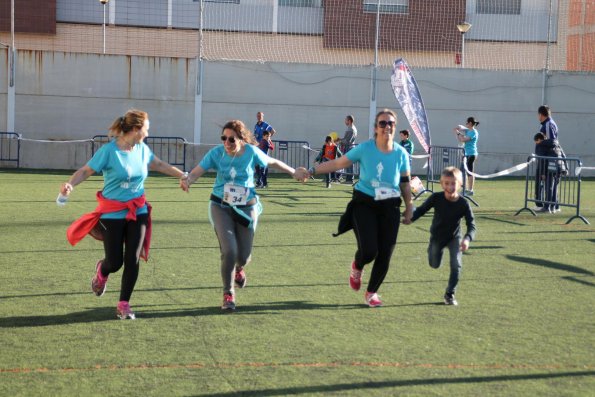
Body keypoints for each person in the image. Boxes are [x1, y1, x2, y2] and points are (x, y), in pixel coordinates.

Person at [59, 109, 188, 320]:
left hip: (138, 210)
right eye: (147, 127)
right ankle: (102, 270)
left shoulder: (142, 149)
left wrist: (182, 175)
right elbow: (86, 171)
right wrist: (69, 184)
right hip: (112, 213)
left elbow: (159, 164)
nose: (148, 131)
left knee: (133, 258)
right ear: (137, 128)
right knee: (115, 261)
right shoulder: (109, 151)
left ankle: (123, 304)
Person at [181, 120, 306, 311]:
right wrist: (188, 179)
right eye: (224, 138)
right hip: (220, 205)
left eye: (231, 139)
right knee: (229, 250)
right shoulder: (216, 153)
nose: (227, 142)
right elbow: (198, 170)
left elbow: (272, 161)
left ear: (241, 138)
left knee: (244, 256)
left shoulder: (250, 152)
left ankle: (239, 268)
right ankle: (228, 293)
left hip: (247, 207)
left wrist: (293, 172)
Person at [305, 109, 413, 307]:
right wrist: (311, 171)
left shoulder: (401, 153)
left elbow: (405, 183)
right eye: (382, 123)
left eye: (390, 123)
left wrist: (409, 206)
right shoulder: (365, 149)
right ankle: (358, 265)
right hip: (365, 204)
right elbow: (338, 163)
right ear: (375, 128)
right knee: (370, 250)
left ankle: (372, 293)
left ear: (395, 127)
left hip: (390, 206)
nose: (387, 126)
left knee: (386, 253)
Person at [404, 167, 476, 306]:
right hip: (437, 237)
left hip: (454, 238)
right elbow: (421, 210)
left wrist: (467, 239)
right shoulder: (436, 198)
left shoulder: (463, 203)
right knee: (434, 264)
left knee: (456, 265)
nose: (450, 186)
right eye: (447, 183)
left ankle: (450, 294)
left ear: (461, 184)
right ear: (442, 184)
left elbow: (472, 225)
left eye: (454, 183)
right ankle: (433, 250)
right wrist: (410, 219)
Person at [534, 132, 567, 213]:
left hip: (550, 168)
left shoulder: (541, 145)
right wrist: (566, 168)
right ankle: (553, 207)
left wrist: (542, 173)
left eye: (536, 141)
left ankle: (547, 208)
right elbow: (563, 155)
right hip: (559, 167)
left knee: (549, 188)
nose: (536, 143)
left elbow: (542, 160)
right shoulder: (556, 143)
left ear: (539, 139)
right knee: (555, 188)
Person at [454, 117, 480, 195]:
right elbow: (461, 128)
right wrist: (458, 128)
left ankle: (470, 190)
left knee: (470, 172)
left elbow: (463, 139)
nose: (466, 124)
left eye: (467, 123)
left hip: (471, 154)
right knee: (462, 171)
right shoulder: (468, 130)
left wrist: (458, 133)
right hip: (466, 154)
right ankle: (464, 188)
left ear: (470, 123)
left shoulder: (473, 132)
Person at [339, 115, 357, 183]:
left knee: (349, 164)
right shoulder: (351, 128)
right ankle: (348, 179)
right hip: (350, 147)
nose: (345, 121)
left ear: (349, 121)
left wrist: (340, 141)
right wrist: (340, 139)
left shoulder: (351, 129)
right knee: (348, 164)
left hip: (349, 148)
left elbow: (347, 140)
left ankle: (350, 179)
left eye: (346, 120)